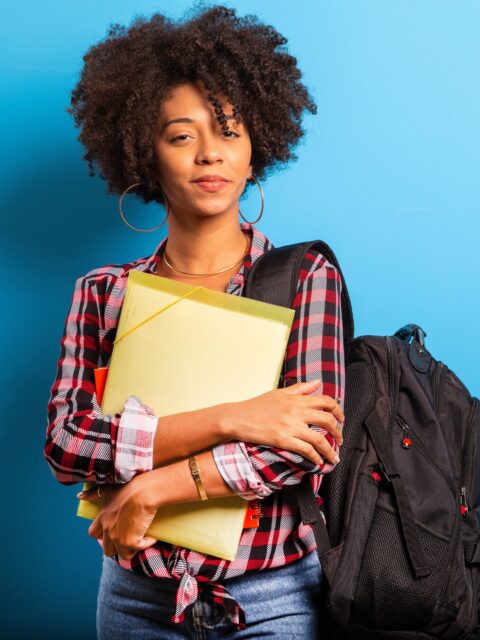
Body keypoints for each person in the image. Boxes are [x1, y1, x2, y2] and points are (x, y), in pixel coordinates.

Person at [44, 6, 346, 638]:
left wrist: (152, 489)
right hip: (135, 597)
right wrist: (233, 416)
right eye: (182, 136)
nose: (210, 153)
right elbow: (67, 446)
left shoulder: (304, 278)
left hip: (275, 594)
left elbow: (300, 450)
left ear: (256, 145)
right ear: (146, 157)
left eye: (229, 131)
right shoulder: (103, 293)